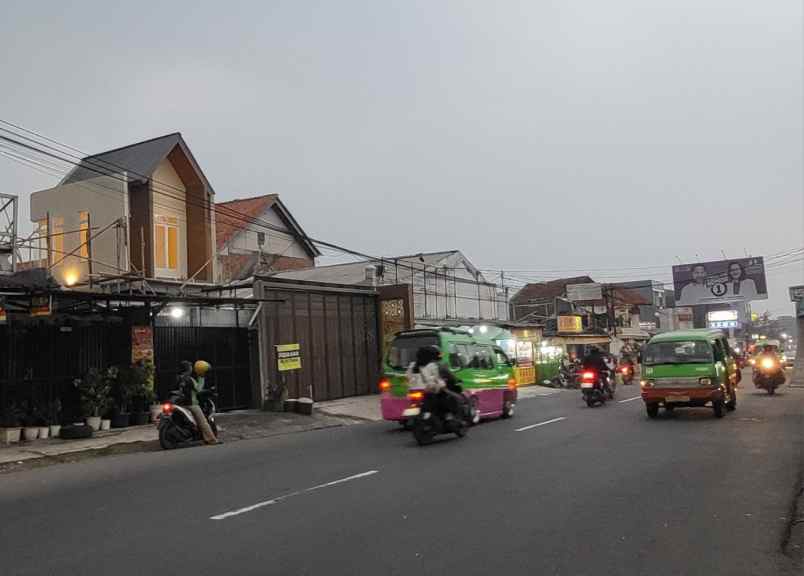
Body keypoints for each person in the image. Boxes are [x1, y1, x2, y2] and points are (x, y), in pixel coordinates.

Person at [406, 345, 464, 419]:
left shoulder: (412, 365)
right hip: (433, 390)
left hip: (414, 390)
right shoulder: (437, 365)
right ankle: (449, 416)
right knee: (455, 398)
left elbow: (408, 377)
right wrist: (456, 380)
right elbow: (449, 376)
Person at [177, 360, 218, 444]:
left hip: (181, 403)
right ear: (188, 369)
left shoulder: (179, 378)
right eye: (190, 367)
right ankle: (211, 440)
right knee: (203, 422)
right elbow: (199, 390)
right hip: (191, 404)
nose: (192, 369)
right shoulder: (189, 379)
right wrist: (201, 377)